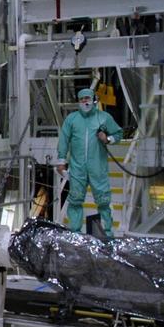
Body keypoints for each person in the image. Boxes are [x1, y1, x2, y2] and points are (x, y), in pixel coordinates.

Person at [57, 87, 123, 237]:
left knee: (103, 201)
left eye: (87, 98)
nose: (84, 101)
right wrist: (61, 161)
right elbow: (64, 140)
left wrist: (108, 139)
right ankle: (75, 233)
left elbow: (118, 133)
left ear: (94, 100)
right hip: (77, 168)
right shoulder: (72, 119)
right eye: (82, 99)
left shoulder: (104, 118)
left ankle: (107, 233)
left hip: (97, 167)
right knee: (75, 199)